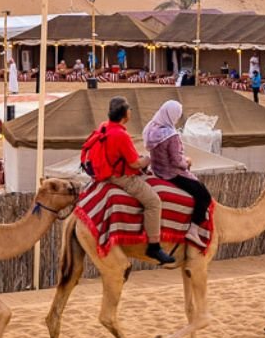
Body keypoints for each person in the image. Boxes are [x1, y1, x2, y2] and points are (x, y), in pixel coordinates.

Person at [86, 97, 175, 264]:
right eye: (129, 109)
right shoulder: (121, 135)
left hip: (107, 172)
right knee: (153, 202)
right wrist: (148, 159)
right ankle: (154, 246)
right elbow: (135, 163)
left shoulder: (104, 127)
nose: (131, 112)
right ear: (125, 115)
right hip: (122, 178)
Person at [142, 100, 212, 246]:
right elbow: (176, 161)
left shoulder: (151, 129)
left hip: (157, 170)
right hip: (172, 174)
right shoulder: (171, 135)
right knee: (204, 195)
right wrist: (187, 161)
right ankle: (193, 230)